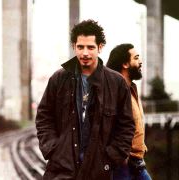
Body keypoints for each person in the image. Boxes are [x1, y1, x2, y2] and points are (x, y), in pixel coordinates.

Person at [35, 19, 136, 179]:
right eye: (80, 47)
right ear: (74, 46)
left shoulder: (116, 83)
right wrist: (53, 149)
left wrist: (110, 157)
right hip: (61, 169)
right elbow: (44, 117)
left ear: (100, 47)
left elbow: (126, 126)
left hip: (98, 171)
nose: (85, 53)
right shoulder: (59, 79)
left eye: (91, 47)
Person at [106, 43, 152, 180]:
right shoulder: (113, 92)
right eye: (136, 58)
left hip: (137, 162)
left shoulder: (131, 89)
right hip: (122, 164)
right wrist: (120, 155)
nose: (140, 62)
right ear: (125, 64)